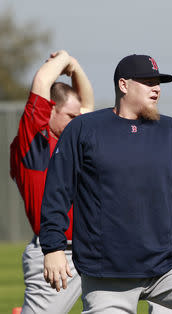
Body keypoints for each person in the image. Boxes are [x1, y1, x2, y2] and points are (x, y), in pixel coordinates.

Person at [39, 54, 172, 314]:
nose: (156, 88)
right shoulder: (85, 129)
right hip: (107, 275)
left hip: (169, 268)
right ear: (123, 85)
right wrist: (53, 247)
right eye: (148, 81)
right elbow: (57, 192)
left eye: (159, 82)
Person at [9, 50, 94, 313]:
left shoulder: (71, 143)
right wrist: (64, 59)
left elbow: (87, 107)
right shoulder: (34, 141)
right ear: (49, 111)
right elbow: (42, 81)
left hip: (93, 247)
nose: (77, 121)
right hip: (56, 253)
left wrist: (77, 68)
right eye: (70, 116)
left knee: (159, 287)